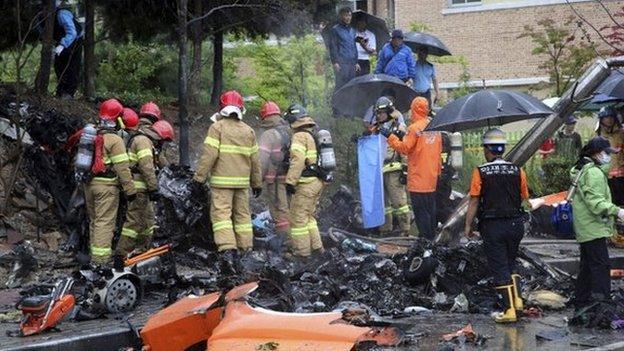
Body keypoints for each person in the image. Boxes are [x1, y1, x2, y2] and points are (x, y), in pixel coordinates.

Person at [464, 128, 530, 323]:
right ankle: (517, 301)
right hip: (516, 224)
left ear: (487, 149)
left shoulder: (481, 171)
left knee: (499, 266)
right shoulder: (518, 170)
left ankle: (508, 310)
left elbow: (474, 201)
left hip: (493, 226)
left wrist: (468, 226)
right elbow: (525, 199)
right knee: (511, 262)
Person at [193, 91, 262, 261]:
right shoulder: (249, 131)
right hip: (242, 185)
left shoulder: (217, 127)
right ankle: (246, 250)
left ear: (222, 107)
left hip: (221, 183)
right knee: (243, 216)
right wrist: (256, 183)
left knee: (221, 216)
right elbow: (255, 161)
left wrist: (199, 178)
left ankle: (227, 251)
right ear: (240, 108)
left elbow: (209, 155)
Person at [570, 136, 624, 309]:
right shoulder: (593, 173)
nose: (609, 156)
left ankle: (582, 300)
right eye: (607, 153)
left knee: (587, 266)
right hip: (593, 227)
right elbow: (595, 203)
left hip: (586, 227)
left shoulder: (585, 169)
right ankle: (602, 303)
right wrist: (618, 211)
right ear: (597, 154)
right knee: (601, 266)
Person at [380, 97, 441, 240]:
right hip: (431, 179)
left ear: (414, 110)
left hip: (418, 180)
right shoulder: (434, 127)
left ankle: (425, 242)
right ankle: (431, 240)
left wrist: (390, 136)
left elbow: (405, 148)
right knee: (430, 211)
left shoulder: (414, 128)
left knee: (421, 213)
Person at [85, 99, 136, 265]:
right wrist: (130, 190)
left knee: (95, 221)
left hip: (89, 185)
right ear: (118, 119)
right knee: (104, 223)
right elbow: (122, 168)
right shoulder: (114, 140)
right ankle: (100, 261)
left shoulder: (91, 134)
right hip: (106, 187)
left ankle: (94, 257)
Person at [116, 119, 174, 258]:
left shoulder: (146, 141)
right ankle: (121, 254)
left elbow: (159, 162)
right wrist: (154, 188)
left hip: (142, 189)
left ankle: (142, 251)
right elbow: (146, 167)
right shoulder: (143, 141)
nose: (162, 144)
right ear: (160, 136)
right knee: (134, 222)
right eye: (163, 141)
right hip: (138, 189)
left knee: (148, 221)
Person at [283, 104, 325, 258]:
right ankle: (317, 249)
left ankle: (302, 254)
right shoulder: (311, 134)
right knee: (309, 217)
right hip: (316, 182)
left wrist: (290, 182)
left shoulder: (299, 136)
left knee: (298, 219)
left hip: (305, 184)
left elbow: (298, 159)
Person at [372, 97, 410, 236]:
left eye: (381, 112)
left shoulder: (398, 127)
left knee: (399, 203)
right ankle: (385, 229)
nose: (378, 115)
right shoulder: (375, 128)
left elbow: (404, 148)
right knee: (384, 205)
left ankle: (405, 230)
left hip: (394, 171)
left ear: (388, 112)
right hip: (379, 172)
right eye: (377, 113)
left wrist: (405, 171)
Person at [257, 101, 291, 239]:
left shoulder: (268, 134)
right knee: (289, 207)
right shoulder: (290, 130)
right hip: (291, 178)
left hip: (276, 179)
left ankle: (284, 240)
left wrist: (257, 180)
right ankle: (294, 238)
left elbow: (262, 160)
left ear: (264, 117)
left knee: (278, 209)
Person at [596, 106, 624, 247]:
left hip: (620, 176)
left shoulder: (621, 133)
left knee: (620, 206)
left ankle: (621, 235)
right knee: (609, 206)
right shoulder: (598, 136)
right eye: (606, 118)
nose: (609, 120)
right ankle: (612, 236)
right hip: (605, 177)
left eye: (611, 117)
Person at [53, 0, 83, 99]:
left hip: (74, 40)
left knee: (71, 66)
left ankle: (69, 93)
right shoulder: (43, 17)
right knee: (58, 65)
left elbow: (72, 33)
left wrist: (62, 45)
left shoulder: (62, 14)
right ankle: (60, 91)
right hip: (61, 40)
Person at [328, 7, 359, 92]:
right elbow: (333, 47)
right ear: (341, 16)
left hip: (352, 64)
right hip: (342, 64)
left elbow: (354, 46)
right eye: (346, 15)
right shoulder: (335, 30)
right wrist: (335, 62)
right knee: (341, 86)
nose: (348, 17)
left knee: (352, 86)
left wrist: (356, 62)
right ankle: (337, 105)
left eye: (350, 15)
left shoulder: (353, 30)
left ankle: (350, 105)